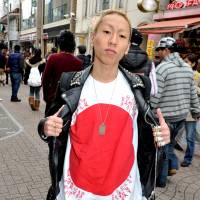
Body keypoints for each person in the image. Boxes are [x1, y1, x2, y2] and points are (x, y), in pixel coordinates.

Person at [38, 10, 170, 200]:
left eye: (122, 35)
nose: (113, 40)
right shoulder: (70, 83)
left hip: (125, 192)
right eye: (107, 32)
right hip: (75, 192)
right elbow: (49, 123)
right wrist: (46, 126)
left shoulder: (139, 87)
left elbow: (146, 138)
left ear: (127, 46)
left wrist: (161, 135)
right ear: (94, 38)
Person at [150, 37, 200, 187]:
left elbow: (155, 96)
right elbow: (192, 92)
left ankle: (161, 181)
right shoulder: (187, 68)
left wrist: (150, 110)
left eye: (160, 50)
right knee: (169, 146)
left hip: (164, 117)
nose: (158, 53)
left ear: (167, 50)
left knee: (162, 150)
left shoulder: (162, 69)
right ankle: (171, 169)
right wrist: (196, 110)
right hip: (181, 117)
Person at [42, 30, 83, 115]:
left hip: (54, 99)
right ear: (73, 44)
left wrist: (47, 97)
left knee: (50, 125)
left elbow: (45, 79)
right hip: (70, 102)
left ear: (60, 43)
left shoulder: (53, 58)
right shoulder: (78, 62)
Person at [119, 28, 157, 96]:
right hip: (140, 102)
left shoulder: (117, 58)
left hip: (119, 101)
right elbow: (153, 91)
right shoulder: (149, 62)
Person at [181, 53, 200, 167]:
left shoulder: (197, 75)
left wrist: (194, 88)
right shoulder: (180, 73)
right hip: (178, 109)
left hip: (191, 111)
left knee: (190, 137)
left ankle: (188, 159)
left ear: (193, 64)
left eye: (187, 62)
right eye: (184, 61)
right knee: (173, 135)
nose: (185, 63)